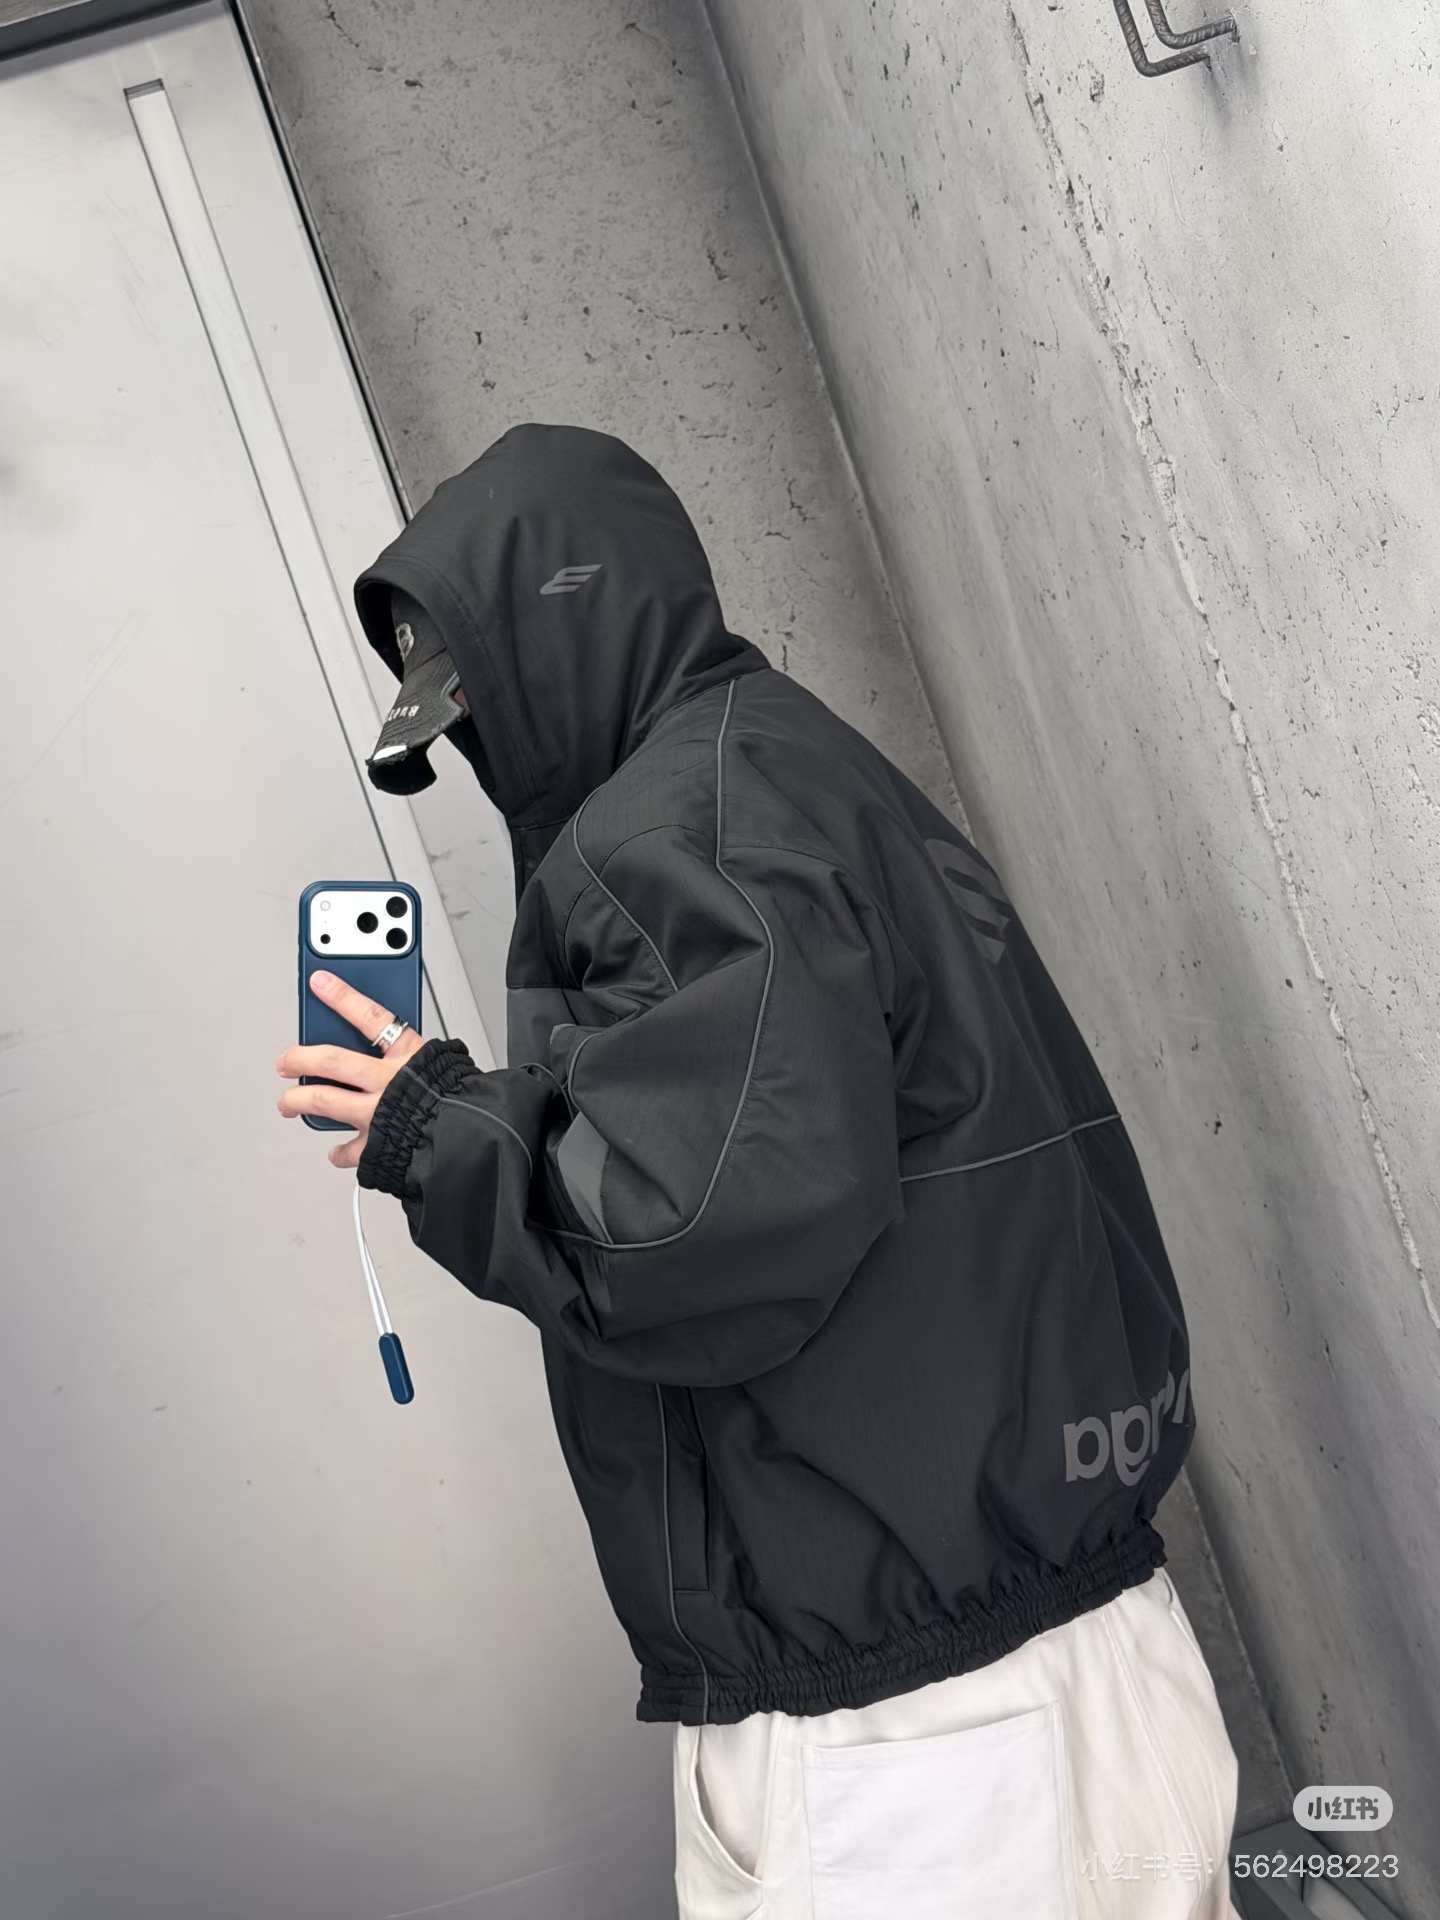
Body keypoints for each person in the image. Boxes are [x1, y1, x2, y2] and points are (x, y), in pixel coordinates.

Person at [275, 422, 1243, 1919]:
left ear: (548, 648)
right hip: (1059, 1648)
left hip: (922, 1745)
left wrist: (433, 1124)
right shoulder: (798, 767)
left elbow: (697, 1232)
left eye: (471, 703)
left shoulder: (675, 833)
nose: (473, 749)